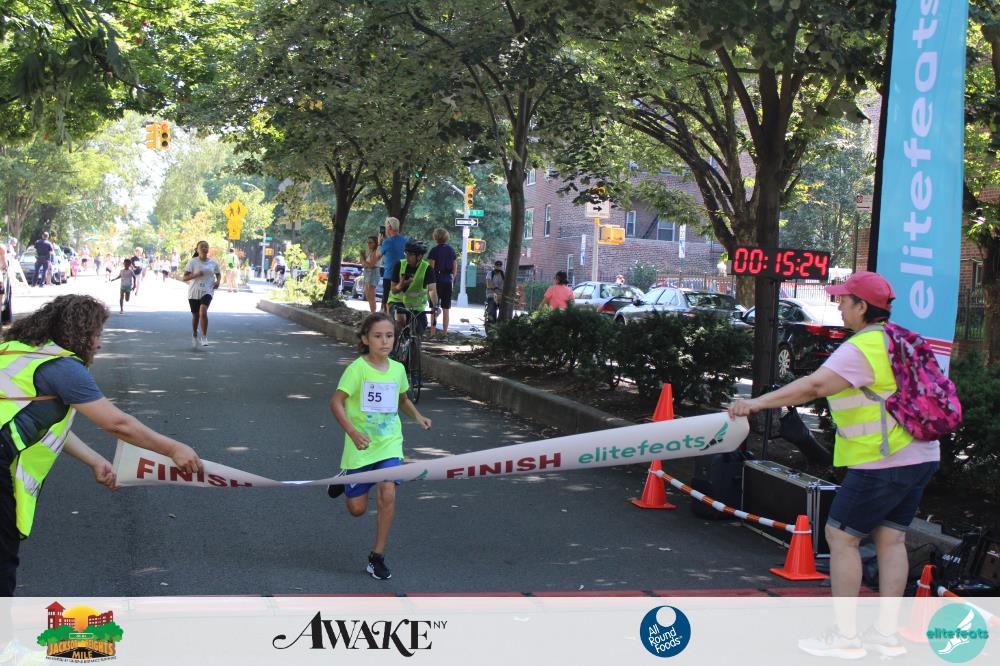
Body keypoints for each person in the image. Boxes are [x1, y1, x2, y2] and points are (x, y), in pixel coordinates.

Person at [728, 272, 939, 659]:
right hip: (921, 455)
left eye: (844, 299)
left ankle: (846, 637)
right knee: (891, 540)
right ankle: (884, 635)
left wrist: (756, 403)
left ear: (862, 306)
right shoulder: (903, 340)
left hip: (881, 460)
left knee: (841, 538)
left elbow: (814, 386)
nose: (838, 305)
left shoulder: (863, 346)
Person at [0, 294, 203, 596]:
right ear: (79, 333)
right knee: (3, 565)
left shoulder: (14, 352)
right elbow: (117, 424)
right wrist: (173, 449)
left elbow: (39, 425)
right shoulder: (63, 368)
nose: (99, 343)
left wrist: (94, 460)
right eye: (96, 334)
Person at [326, 312, 432, 580]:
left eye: (389, 336)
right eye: (378, 336)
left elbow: (402, 399)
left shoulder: (397, 369)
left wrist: (418, 416)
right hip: (361, 446)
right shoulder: (357, 369)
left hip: (389, 444)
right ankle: (343, 478)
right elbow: (336, 402)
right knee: (357, 509)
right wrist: (352, 432)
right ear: (365, 339)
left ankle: (377, 556)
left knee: (387, 493)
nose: (385, 341)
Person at [387, 240, 439, 342]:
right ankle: (396, 345)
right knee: (401, 319)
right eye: (406, 253)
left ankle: (413, 347)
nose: (407, 257)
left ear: (419, 256)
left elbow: (432, 290)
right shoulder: (399, 265)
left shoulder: (427, 269)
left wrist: (435, 306)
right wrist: (401, 285)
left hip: (416, 307)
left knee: (420, 327)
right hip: (397, 302)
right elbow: (393, 290)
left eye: (410, 255)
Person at [182, 241, 221, 348]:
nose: (204, 248)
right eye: (202, 247)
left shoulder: (213, 263)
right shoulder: (192, 262)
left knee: (203, 312)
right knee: (195, 315)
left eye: (206, 247)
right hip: (194, 291)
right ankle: (195, 333)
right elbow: (184, 277)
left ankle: (204, 336)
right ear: (197, 250)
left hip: (207, 290)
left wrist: (218, 282)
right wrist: (195, 275)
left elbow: (218, 274)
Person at [426, 228, 456, 338]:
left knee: (434, 307)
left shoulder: (434, 251)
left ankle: (433, 333)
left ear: (435, 237)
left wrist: (429, 282)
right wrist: (451, 279)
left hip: (436, 281)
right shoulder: (451, 250)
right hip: (447, 280)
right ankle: (444, 333)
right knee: (446, 309)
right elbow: (454, 268)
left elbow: (431, 268)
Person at [379, 218, 408, 312]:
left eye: (386, 226)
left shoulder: (387, 242)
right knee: (401, 302)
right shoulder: (406, 240)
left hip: (389, 276)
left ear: (390, 227)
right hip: (404, 276)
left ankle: (386, 318)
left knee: (387, 301)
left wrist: (380, 243)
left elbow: (377, 256)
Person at [360, 235, 380, 314]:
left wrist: (363, 258)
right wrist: (363, 257)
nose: (368, 244)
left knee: (371, 294)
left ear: (375, 243)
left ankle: (373, 313)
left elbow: (371, 265)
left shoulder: (376, 252)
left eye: (370, 242)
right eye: (367, 242)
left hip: (373, 272)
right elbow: (364, 264)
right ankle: (372, 312)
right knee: (367, 294)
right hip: (367, 272)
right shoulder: (371, 252)